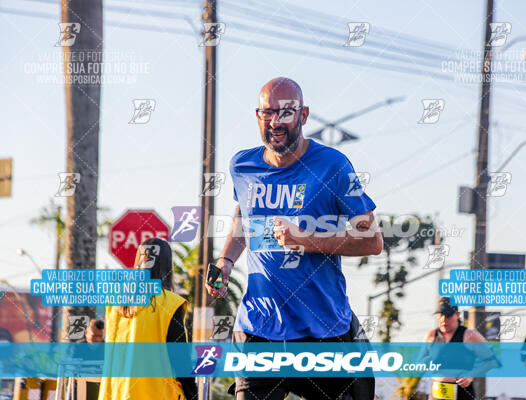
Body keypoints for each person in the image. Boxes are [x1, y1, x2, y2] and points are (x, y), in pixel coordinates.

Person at [206, 77, 383, 400]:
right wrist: (226, 260)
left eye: (285, 112)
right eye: (267, 112)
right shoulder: (242, 165)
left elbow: (372, 239)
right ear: (257, 116)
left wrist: (307, 239)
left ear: (303, 116)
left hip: (322, 329)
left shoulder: (333, 166)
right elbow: (243, 216)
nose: (275, 121)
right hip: (260, 326)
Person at [99, 237, 197, 400]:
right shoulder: (169, 303)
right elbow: (180, 360)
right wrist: (193, 394)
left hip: (116, 393)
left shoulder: (115, 303)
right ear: (167, 266)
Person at [423, 297, 497, 400]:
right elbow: (419, 363)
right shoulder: (431, 335)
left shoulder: (469, 335)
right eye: (440, 315)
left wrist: (471, 375)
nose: (443, 319)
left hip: (462, 393)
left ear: (457, 315)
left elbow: (492, 361)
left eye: (448, 315)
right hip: (437, 392)